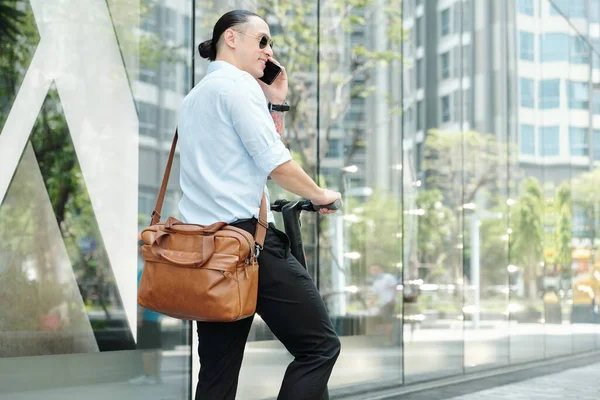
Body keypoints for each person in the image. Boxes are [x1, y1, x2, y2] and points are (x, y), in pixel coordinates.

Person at [177, 9, 342, 400]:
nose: (269, 52)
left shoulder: (195, 97)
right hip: (249, 245)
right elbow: (274, 162)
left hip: (209, 252)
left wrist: (274, 102)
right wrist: (320, 194)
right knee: (320, 347)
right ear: (231, 38)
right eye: (262, 40)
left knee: (216, 375)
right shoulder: (237, 87)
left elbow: (246, 157)